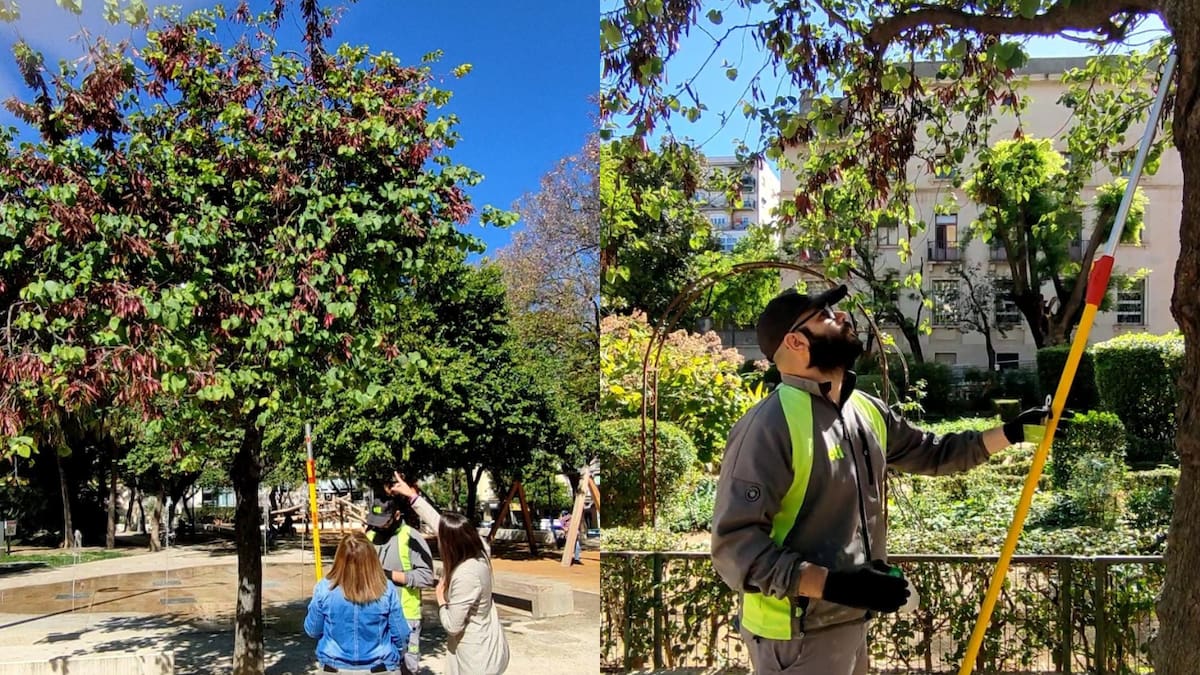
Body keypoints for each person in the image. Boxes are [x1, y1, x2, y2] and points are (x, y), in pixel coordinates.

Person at [711, 285, 1058, 675]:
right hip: (793, 635)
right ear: (795, 341)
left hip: (850, 623)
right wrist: (838, 586)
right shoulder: (769, 426)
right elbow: (735, 549)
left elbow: (933, 453)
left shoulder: (865, 409)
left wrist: (1011, 433)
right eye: (826, 315)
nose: (843, 317)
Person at [387, 472, 510, 675]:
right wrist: (413, 497)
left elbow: (453, 625)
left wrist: (440, 599)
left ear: (451, 544)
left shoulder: (466, 575)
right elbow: (440, 524)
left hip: (476, 657)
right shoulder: (480, 550)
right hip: (491, 644)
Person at [304, 531, 411, 674]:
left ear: (339, 558)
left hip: (334, 667)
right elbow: (401, 635)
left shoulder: (324, 588)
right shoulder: (386, 589)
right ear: (372, 558)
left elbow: (312, 630)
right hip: (380, 667)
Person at [366, 475, 436, 675]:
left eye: (384, 522)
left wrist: (388, 575)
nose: (379, 526)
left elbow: (426, 577)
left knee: (407, 667)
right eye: (375, 521)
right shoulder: (370, 538)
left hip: (406, 616)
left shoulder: (411, 537)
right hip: (376, 615)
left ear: (397, 516)